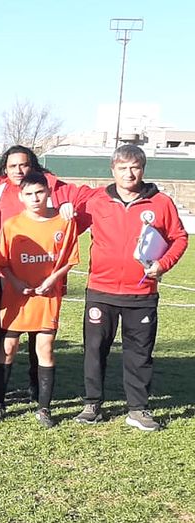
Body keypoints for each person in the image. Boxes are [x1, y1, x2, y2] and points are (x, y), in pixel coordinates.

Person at [70, 145, 189, 431]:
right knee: (94, 350)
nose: (128, 173)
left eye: (134, 167)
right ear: (112, 170)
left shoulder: (160, 202)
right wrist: (65, 212)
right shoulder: (97, 201)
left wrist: (162, 264)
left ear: (143, 169)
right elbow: (71, 225)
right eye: (122, 168)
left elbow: (179, 238)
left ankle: (137, 409)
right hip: (101, 290)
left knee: (139, 353)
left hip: (141, 293)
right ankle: (92, 404)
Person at [0, 172, 79, 428]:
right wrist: (16, 282)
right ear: (21, 197)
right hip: (17, 297)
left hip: (47, 295)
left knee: (45, 348)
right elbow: (2, 263)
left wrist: (53, 280)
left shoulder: (64, 222)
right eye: (29, 194)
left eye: (39, 192)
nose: (35, 198)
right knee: (8, 348)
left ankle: (44, 408)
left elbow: (69, 259)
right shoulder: (12, 225)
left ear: (48, 192)